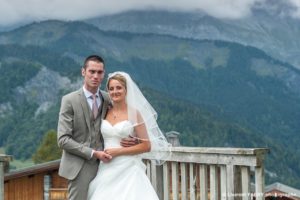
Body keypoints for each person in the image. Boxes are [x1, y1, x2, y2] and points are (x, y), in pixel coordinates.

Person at [87, 71, 171, 200]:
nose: (115, 91)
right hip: (107, 167)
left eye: (119, 88)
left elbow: (147, 145)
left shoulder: (134, 113)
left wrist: (118, 151)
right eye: (111, 88)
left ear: (126, 90)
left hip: (129, 167)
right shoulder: (104, 111)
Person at [57, 55, 125, 200]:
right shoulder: (69, 100)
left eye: (99, 72)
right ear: (83, 72)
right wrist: (93, 153)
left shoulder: (109, 99)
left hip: (107, 165)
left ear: (103, 74)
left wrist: (131, 139)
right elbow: (63, 140)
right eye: (92, 71)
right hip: (80, 166)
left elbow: (123, 120)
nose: (95, 76)